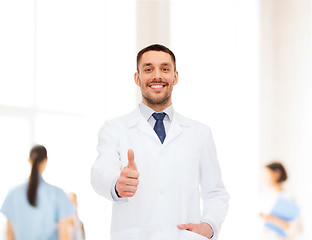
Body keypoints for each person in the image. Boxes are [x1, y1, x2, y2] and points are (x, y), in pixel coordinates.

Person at [91, 44, 229, 240]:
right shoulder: (115, 129)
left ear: (175, 77)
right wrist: (116, 184)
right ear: (137, 78)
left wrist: (209, 226)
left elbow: (216, 192)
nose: (157, 76)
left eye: (165, 69)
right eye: (148, 69)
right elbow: (99, 172)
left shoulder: (200, 133)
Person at [0, 145, 75, 240]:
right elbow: (64, 235)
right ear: (46, 161)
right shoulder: (58, 194)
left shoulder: (13, 194)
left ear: (29, 161)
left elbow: (9, 234)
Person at [259, 162, 302, 240]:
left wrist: (272, 219)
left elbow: (297, 227)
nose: (263, 178)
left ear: (277, 174)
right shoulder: (263, 196)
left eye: (266, 175)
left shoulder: (288, 197)